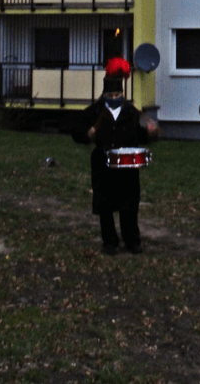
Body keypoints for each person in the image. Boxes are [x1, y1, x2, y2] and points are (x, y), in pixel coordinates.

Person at [71, 58, 159, 256]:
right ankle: (109, 241)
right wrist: (88, 135)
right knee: (106, 205)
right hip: (103, 164)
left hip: (127, 165)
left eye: (117, 94)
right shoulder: (95, 111)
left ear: (123, 93)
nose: (114, 97)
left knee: (129, 204)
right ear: (104, 95)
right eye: (110, 95)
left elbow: (139, 135)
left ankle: (132, 240)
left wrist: (151, 134)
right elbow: (76, 132)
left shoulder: (131, 112)